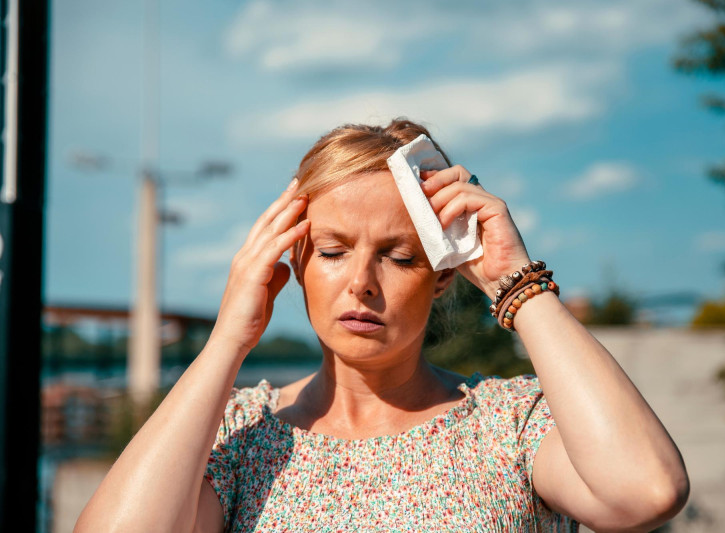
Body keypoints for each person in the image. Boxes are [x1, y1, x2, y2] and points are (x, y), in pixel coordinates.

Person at [75, 119, 689, 533]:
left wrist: (517, 281)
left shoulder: (510, 425)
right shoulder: (240, 438)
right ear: (295, 260)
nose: (362, 282)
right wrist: (228, 339)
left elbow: (647, 492)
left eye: (398, 256)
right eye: (334, 250)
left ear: (443, 275)